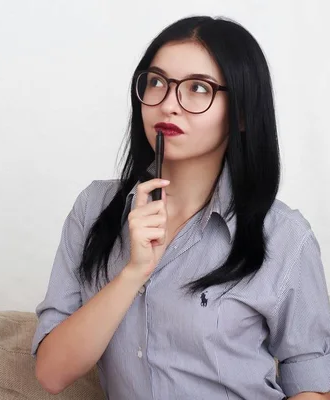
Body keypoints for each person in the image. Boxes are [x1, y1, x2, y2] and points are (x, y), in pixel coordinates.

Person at [31, 15, 330, 400]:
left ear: (240, 113)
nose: (169, 104)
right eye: (157, 82)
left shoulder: (285, 236)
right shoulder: (94, 209)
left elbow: (309, 381)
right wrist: (134, 272)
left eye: (197, 88)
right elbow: (51, 374)